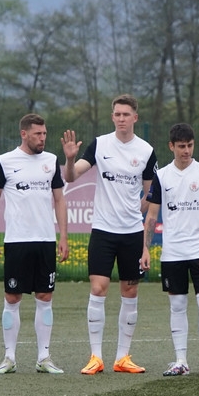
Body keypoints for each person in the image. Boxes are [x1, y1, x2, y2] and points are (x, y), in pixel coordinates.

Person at [61, 94, 157, 375]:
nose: (121, 119)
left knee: (130, 291)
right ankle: (96, 357)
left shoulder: (146, 151)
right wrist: (70, 159)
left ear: (135, 117)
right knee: (98, 289)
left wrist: (135, 214)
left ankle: (122, 357)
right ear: (112, 116)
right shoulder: (100, 144)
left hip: (132, 233)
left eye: (126, 114)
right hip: (103, 231)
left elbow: (151, 193)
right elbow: (70, 177)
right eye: (117, 114)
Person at [0, 113, 70, 374]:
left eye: (44, 134)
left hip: (45, 240)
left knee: (45, 296)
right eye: (37, 134)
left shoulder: (51, 161)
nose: (42, 138)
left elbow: (59, 199)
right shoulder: (5, 162)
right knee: (12, 297)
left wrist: (63, 236)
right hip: (17, 241)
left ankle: (44, 357)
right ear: (24, 134)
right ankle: (9, 358)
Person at [141, 123, 199, 377]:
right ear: (171, 146)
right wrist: (145, 249)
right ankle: (180, 361)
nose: (186, 151)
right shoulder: (162, 176)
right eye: (181, 146)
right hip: (173, 253)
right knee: (177, 304)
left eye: (189, 145)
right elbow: (152, 216)